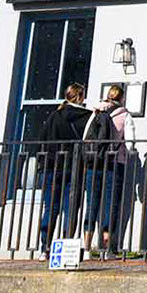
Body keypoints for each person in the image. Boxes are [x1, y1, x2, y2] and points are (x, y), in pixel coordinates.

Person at [31, 83, 90, 251]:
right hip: (74, 168)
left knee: (50, 208)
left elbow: (42, 140)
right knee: (70, 209)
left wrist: (42, 163)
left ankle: (45, 247)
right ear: (80, 97)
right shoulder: (87, 117)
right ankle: (66, 248)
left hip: (52, 166)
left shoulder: (55, 116)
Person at [82, 83, 139, 257]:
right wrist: (132, 153)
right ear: (122, 98)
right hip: (114, 163)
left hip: (94, 163)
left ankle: (86, 249)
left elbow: (86, 136)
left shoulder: (96, 112)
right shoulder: (125, 115)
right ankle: (106, 250)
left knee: (91, 204)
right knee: (110, 204)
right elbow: (130, 144)